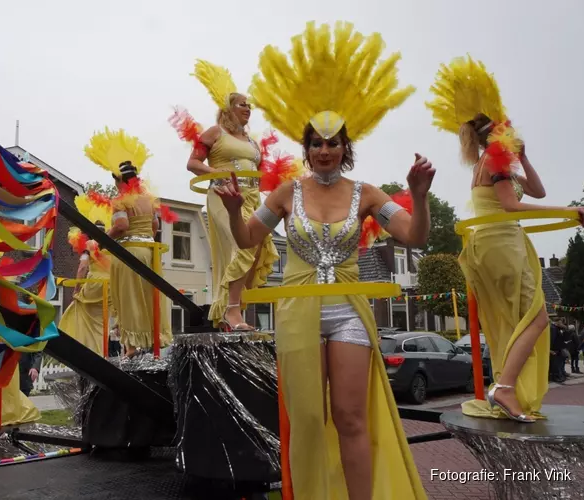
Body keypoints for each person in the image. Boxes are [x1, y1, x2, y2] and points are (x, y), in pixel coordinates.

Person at [215, 22, 428, 499]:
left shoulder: (367, 193)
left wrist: (418, 194)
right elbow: (248, 240)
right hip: (299, 313)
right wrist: (233, 210)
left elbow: (414, 236)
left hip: (350, 312)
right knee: (308, 419)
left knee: (351, 416)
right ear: (306, 148)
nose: (325, 150)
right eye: (316, 142)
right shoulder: (288, 191)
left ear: (345, 147)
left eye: (333, 142)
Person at [426, 55, 584, 422]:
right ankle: (505, 387)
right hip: (500, 241)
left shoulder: (495, 163)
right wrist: (572, 210)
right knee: (537, 318)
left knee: (518, 319)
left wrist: (525, 158)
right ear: (500, 132)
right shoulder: (495, 163)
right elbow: (513, 206)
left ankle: (505, 384)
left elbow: (539, 191)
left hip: (491, 243)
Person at [184, 60, 278, 331]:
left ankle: (232, 309)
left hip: (250, 196)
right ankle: (232, 312)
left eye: (249, 105)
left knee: (256, 247)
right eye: (242, 104)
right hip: (224, 196)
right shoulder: (216, 132)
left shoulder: (251, 141)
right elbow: (192, 163)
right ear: (229, 108)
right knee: (243, 247)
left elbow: (258, 172)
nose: (248, 109)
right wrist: (216, 172)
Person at [84, 128, 172, 357]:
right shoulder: (149, 199)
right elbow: (155, 227)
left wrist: (103, 241)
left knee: (129, 299)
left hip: (130, 253)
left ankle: (131, 347)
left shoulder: (121, 200)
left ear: (119, 179)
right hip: (150, 252)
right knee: (148, 297)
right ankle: (154, 341)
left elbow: (121, 225)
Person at [59, 219, 113, 355]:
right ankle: (100, 353)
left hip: (95, 284)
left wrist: (77, 289)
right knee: (101, 323)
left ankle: (76, 346)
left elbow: (82, 267)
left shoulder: (89, 245)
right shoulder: (113, 246)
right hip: (111, 287)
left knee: (78, 308)